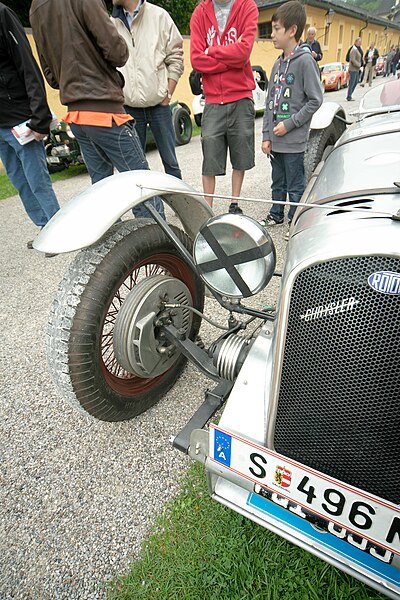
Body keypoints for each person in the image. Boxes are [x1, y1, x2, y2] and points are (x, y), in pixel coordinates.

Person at [30, 0, 164, 219]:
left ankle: (116, 251)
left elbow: (51, 76)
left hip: (77, 116)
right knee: (142, 190)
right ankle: (159, 252)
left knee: (104, 195)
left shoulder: (36, 7)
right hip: (105, 111)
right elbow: (118, 53)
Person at [259, 1, 323, 241]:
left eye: (276, 29)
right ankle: (276, 214)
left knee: (295, 185)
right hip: (275, 143)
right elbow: (270, 103)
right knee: (278, 181)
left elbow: (315, 100)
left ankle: (294, 221)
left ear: (292, 30)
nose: (272, 34)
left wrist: (290, 124)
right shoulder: (277, 64)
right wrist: (266, 135)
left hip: (294, 141)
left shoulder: (305, 61)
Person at [190, 0, 258, 212]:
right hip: (212, 99)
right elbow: (196, 60)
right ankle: (207, 208)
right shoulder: (200, 13)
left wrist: (212, 51)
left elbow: (244, 52)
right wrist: (231, 57)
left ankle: (234, 202)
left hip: (240, 96)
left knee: (241, 155)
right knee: (209, 157)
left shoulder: (247, 6)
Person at [0, 2, 60, 244]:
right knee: (19, 181)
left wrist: (39, 117)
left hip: (21, 118)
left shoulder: (3, 14)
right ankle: (45, 228)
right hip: (1, 125)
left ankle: (59, 229)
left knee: (37, 181)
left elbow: (28, 64)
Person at [111, 0, 183, 180]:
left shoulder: (159, 16)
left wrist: (168, 93)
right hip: (129, 108)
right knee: (136, 168)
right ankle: (146, 209)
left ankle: (181, 206)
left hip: (159, 105)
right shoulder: (111, 23)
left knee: (171, 162)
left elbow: (176, 56)